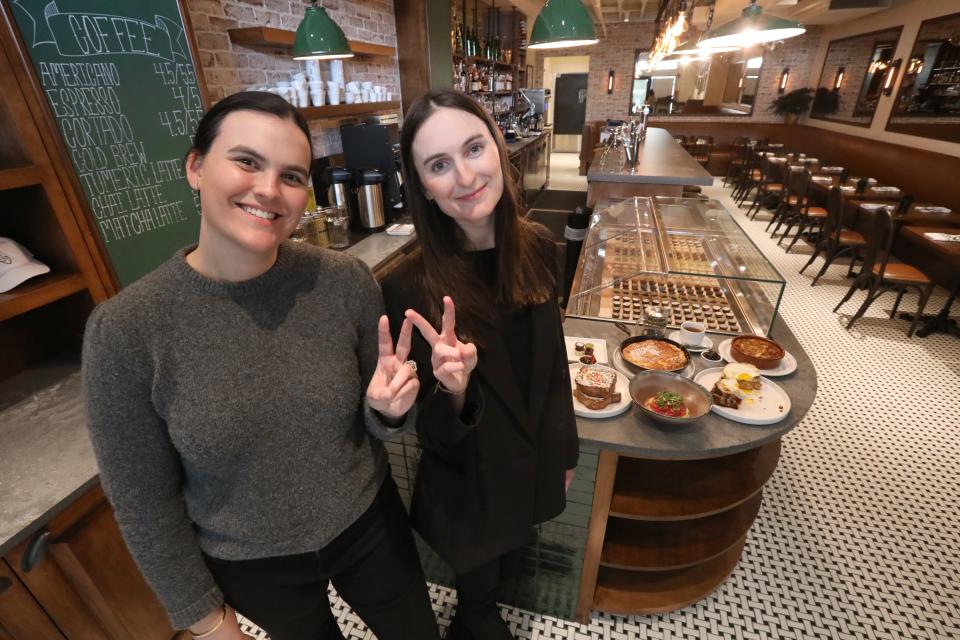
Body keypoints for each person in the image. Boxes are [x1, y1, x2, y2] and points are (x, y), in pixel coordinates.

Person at [82, 91, 441, 640]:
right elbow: (143, 502)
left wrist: (391, 413)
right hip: (249, 562)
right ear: (196, 168)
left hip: (368, 522)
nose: (269, 190)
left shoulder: (341, 282)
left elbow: (381, 419)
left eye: (293, 176)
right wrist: (206, 622)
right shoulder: (126, 332)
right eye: (246, 161)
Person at [381, 89, 579, 640]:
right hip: (469, 479)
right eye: (439, 165)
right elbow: (433, 436)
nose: (465, 176)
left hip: (529, 457)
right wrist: (455, 390)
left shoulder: (539, 246)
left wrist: (565, 448)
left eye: (474, 149)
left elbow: (553, 367)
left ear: (498, 148)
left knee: (513, 548)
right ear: (422, 185)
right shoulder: (406, 286)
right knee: (478, 603)